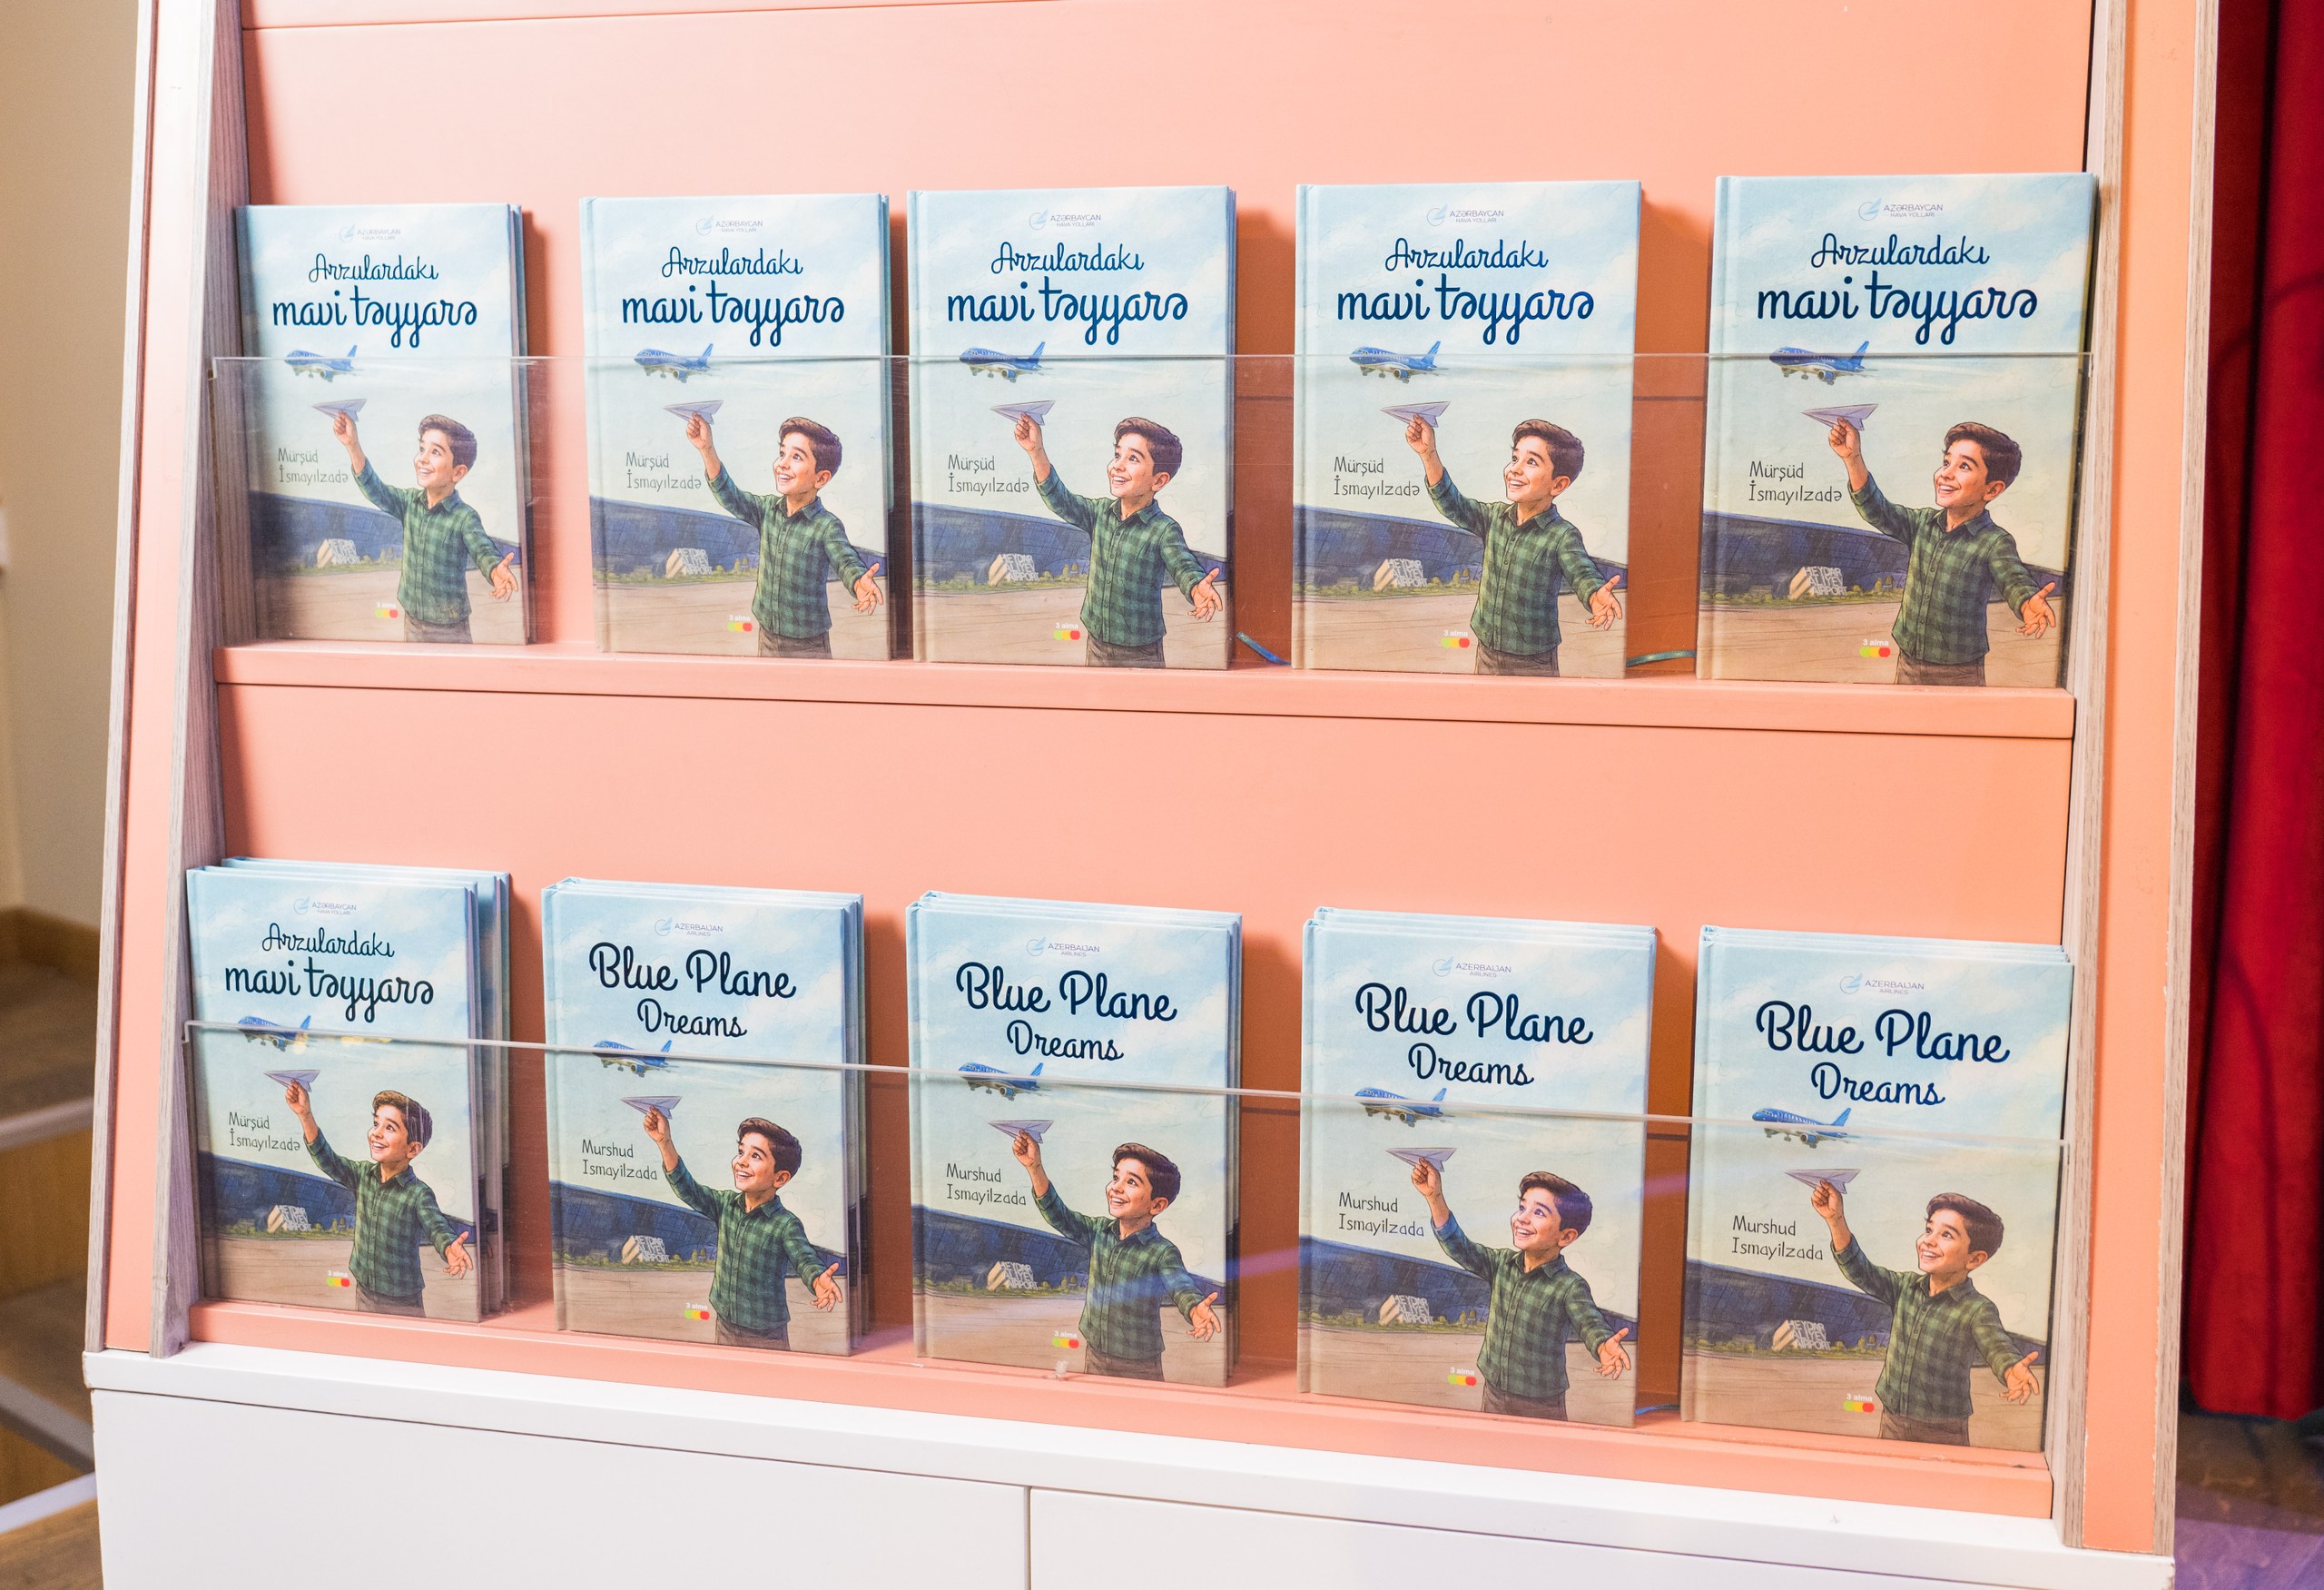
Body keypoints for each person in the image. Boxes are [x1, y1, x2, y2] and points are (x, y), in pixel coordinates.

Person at [1827, 418, 2060, 686]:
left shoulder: (1994, 541)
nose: (1946, 473)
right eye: (1947, 462)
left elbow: (2013, 578)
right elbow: (1876, 510)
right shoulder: (1921, 523)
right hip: (1908, 661)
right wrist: (1853, 458)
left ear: (1992, 489)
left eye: (1964, 466)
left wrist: (2027, 602)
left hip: (1959, 672)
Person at [1807, 1179, 2042, 1444]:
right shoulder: (1904, 1287)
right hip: (1892, 1420)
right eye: (1929, 1229)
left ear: (1974, 1259)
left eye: (1946, 1235)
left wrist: (2011, 1369)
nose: (1928, 1241)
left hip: (1943, 1431)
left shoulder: (1977, 1309)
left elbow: (1996, 1345)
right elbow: (1859, 1270)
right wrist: (1835, 1220)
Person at [1404, 415, 1623, 676]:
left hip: (1533, 663)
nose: (1515, 469)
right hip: (1486, 652)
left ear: (1558, 484)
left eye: (1531, 462)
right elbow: (1452, 503)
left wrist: (1594, 594)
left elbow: (1581, 571)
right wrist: (1428, 454)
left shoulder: (1562, 535)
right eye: (1515, 458)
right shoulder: (1493, 517)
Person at [1411, 1159, 1630, 1419]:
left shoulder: (1570, 1286)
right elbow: (1459, 1247)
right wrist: (1434, 1197)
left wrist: (1603, 1345)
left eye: (1539, 1213)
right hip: (1494, 1392)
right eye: (1522, 1207)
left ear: (1566, 1236)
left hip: (1541, 1404)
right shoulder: (1501, 1263)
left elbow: (1589, 1322)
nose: (1521, 1219)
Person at [1011, 412, 1222, 667]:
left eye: (1133, 458)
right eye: (1117, 454)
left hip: (1141, 653)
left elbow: (1183, 564)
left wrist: (1196, 587)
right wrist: (1036, 452)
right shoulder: (1099, 513)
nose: (1118, 465)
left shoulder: (1164, 530)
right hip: (1096, 644)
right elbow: (1060, 500)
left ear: (1159, 480)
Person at [1009, 1131, 1220, 1379]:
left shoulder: (1162, 1252)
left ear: (1157, 1205)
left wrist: (1195, 1309)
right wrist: (1034, 1167)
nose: (1115, 1188)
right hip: (1095, 1355)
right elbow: (1058, 1215)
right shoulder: (1098, 1231)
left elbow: (1181, 1286)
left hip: (1140, 1365)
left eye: (1131, 1182)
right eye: (1116, 1177)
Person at [684, 412, 882, 658]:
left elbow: (846, 560)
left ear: (821, 478)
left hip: (808, 646)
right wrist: (707, 449)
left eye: (796, 457)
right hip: (766, 637)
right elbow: (729, 496)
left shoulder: (827, 526)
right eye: (782, 453)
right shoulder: (766, 509)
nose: (782, 464)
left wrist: (858, 581)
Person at [642, 1108, 841, 1348]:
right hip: (725, 1324)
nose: (741, 1162)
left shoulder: (785, 1224)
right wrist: (664, 1142)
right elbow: (687, 1188)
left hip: (766, 1335)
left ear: (780, 1178)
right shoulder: (725, 1204)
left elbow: (804, 1258)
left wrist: (818, 1280)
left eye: (756, 1156)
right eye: (740, 1151)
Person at [282, 1080, 471, 1315]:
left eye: (389, 1128)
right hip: (364, 1291)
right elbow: (327, 1159)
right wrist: (305, 1115)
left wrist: (449, 1247)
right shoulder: (362, 1175)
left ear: (412, 1149)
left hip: (403, 1302)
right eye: (375, 1123)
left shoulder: (418, 1194)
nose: (376, 1133)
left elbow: (437, 1226)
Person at [328, 410, 517, 642]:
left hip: (450, 629)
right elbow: (375, 489)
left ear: (458, 472)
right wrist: (352, 445)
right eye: (422, 449)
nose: (422, 459)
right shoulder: (409, 503)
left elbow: (483, 549)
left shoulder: (465, 517)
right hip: (413, 622)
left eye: (435, 452)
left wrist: (495, 570)